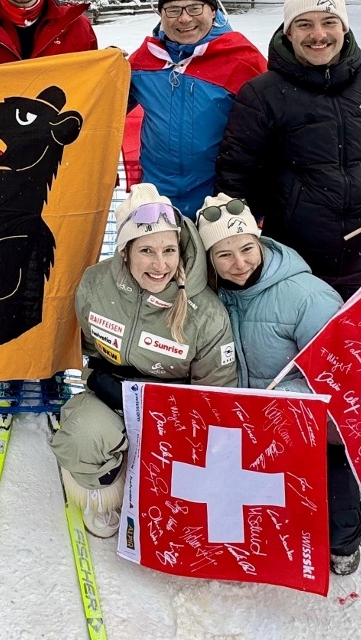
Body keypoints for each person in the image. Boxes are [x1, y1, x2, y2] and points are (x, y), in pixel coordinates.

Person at [216, 0, 361, 300]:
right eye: (304, 24)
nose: (318, 34)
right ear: (288, 32)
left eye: (329, 22)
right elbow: (236, 175)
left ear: (344, 28)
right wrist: (240, 241)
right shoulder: (262, 94)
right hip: (291, 265)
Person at [50, 184, 236, 538]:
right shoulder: (95, 285)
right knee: (83, 439)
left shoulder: (207, 313)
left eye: (169, 250)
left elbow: (218, 394)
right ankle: (107, 488)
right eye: (146, 251)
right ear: (125, 252)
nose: (160, 264)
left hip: (177, 410)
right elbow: (88, 346)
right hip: (113, 395)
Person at [195, 194, 361, 575]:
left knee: (337, 523)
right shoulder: (208, 295)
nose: (238, 263)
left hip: (303, 421)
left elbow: (339, 375)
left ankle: (345, 537)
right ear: (209, 260)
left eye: (246, 248)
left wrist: (280, 402)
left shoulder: (306, 296)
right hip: (236, 424)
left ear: (260, 240)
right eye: (223, 255)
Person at [127, 0, 266, 215]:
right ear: (161, 15)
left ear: (213, 12)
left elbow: (275, 125)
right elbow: (104, 106)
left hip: (221, 201)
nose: (184, 18)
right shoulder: (143, 61)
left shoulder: (242, 59)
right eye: (172, 10)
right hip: (157, 200)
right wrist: (109, 69)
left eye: (194, 8)